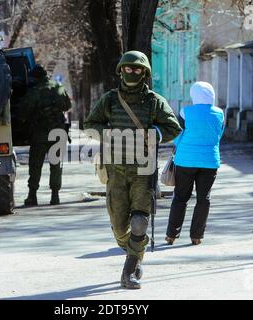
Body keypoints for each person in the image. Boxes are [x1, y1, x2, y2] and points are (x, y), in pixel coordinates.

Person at [84, 51, 181, 289]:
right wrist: (109, 134)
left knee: (139, 221)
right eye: (128, 69)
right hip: (116, 170)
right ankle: (135, 252)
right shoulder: (110, 99)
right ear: (121, 71)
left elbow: (174, 127)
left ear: (145, 73)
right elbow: (90, 124)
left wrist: (155, 134)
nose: (132, 73)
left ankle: (130, 270)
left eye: (137, 70)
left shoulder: (154, 101)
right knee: (119, 226)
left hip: (143, 170)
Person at [165, 81, 224, 246]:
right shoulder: (219, 113)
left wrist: (183, 145)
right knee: (203, 198)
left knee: (181, 197)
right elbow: (219, 134)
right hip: (210, 161)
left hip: (186, 161)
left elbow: (177, 134)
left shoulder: (186, 112)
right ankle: (197, 236)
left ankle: (171, 235)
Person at [19, 64, 72, 206]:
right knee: (56, 165)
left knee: (35, 165)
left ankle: (32, 196)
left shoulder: (34, 91)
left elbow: (23, 111)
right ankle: (55, 196)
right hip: (58, 133)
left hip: (39, 135)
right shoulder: (58, 87)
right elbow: (67, 106)